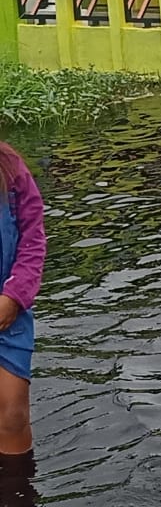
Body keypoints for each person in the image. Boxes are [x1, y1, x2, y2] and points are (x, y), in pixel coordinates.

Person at [0, 144, 44, 463]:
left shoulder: (11, 168)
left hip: (8, 314)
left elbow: (32, 240)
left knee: (13, 415)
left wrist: (14, 297)